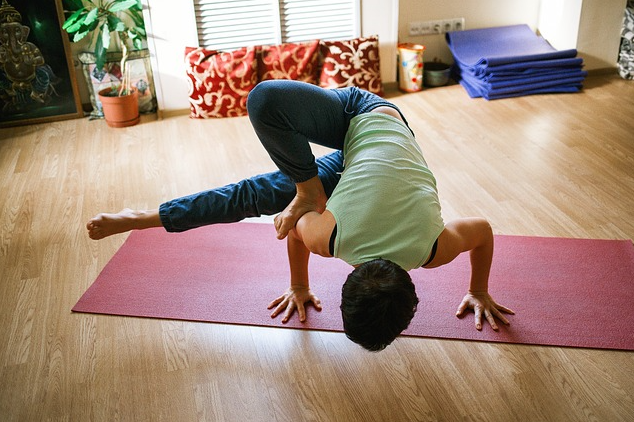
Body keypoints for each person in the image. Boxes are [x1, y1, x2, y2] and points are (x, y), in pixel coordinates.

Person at [87, 80, 514, 351]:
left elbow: (483, 231)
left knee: (260, 193)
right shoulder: (332, 237)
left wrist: (478, 288)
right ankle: (308, 188)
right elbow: (292, 230)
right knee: (263, 130)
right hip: (365, 116)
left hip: (361, 167)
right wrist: (298, 281)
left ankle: (142, 217)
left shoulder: (435, 250)